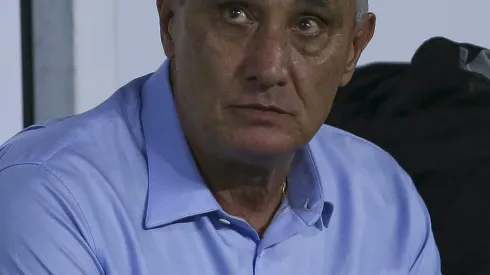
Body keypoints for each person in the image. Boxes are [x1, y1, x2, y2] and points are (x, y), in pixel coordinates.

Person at [0, 0, 440, 274]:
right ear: (170, 20)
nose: (268, 68)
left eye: (308, 24)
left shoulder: (385, 200)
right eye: (237, 14)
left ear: (353, 51)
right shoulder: (47, 199)